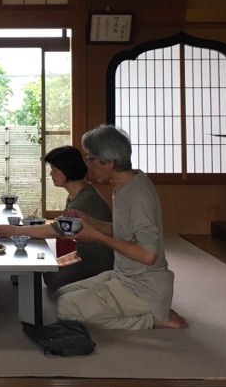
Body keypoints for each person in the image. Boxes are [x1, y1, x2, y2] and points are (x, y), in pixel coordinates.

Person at [55, 124, 188, 331]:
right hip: (123, 275)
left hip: (143, 286)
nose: (87, 164)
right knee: (61, 294)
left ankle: (152, 319)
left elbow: (147, 255)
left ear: (109, 162)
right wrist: (88, 220)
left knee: (66, 308)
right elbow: (121, 230)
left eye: (90, 158)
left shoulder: (138, 194)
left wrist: (97, 236)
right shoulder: (123, 184)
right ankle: (151, 310)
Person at [0, 145, 114, 291]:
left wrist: (15, 230)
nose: (51, 174)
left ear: (68, 170)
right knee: (45, 266)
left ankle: (101, 281)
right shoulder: (79, 192)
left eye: (55, 170)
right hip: (84, 252)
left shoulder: (85, 198)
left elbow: (56, 229)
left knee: (52, 278)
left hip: (97, 261)